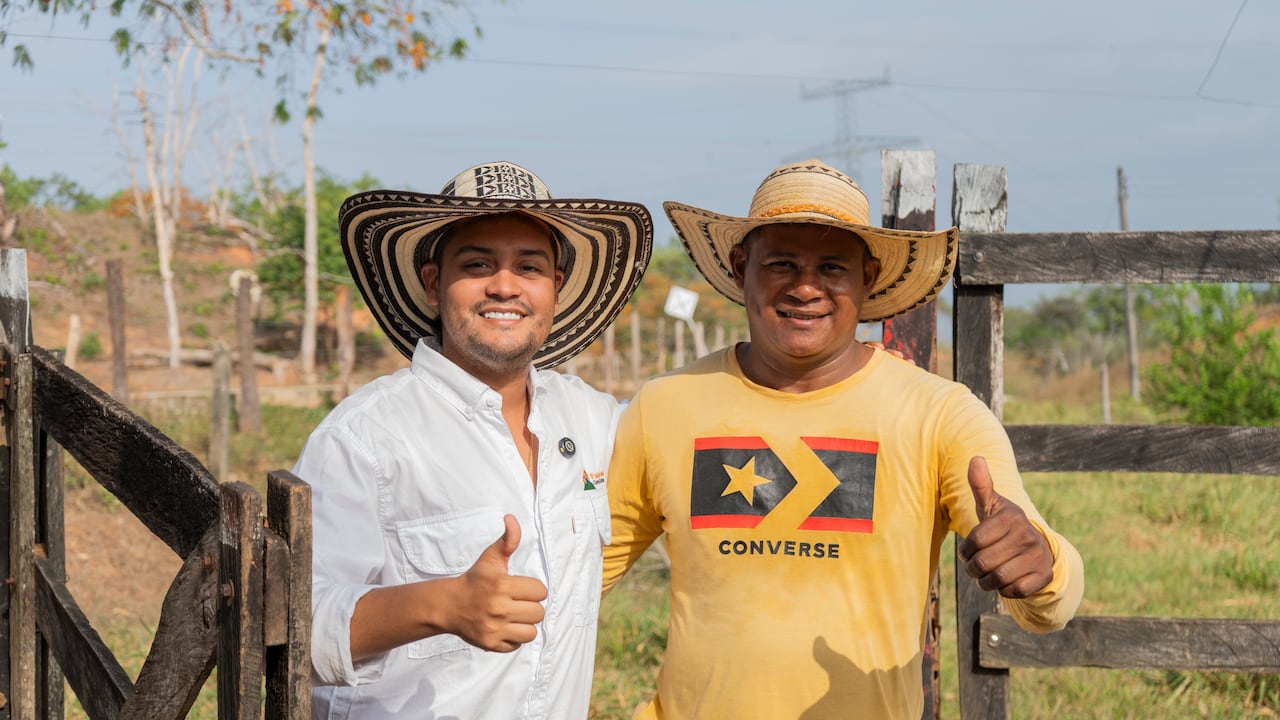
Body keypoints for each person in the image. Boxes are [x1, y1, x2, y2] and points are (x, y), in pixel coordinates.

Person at [602, 159, 1083, 719]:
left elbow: (1050, 606)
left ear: (867, 278)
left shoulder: (939, 415)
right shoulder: (665, 407)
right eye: (781, 263)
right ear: (740, 268)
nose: (806, 287)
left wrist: (1041, 565)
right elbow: (578, 573)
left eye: (831, 267)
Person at [298, 161, 652, 719]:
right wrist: (441, 605)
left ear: (556, 288)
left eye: (529, 266)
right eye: (478, 264)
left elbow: (691, 430)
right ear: (433, 283)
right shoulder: (364, 436)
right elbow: (292, 626)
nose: (505, 286)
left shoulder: (590, 419)